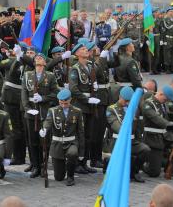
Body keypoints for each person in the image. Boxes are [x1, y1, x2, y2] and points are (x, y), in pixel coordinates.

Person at [21, 53, 58, 178]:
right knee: (33, 141)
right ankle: (36, 166)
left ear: (45, 63)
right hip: (31, 112)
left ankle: (44, 166)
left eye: (41, 58)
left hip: (44, 111)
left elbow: (55, 93)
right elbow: (24, 93)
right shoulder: (27, 75)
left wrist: (43, 98)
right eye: (36, 57)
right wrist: (27, 109)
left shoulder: (50, 76)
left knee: (45, 141)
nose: (38, 58)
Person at [104, 86, 150, 183]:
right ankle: (108, 162)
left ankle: (134, 172)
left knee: (145, 149)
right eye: (125, 101)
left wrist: (139, 141)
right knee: (118, 174)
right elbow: (116, 126)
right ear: (120, 97)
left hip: (132, 141)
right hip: (118, 142)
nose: (127, 103)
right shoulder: (111, 109)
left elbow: (137, 128)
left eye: (130, 101)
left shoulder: (134, 109)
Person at [40, 89, 85, 186]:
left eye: (66, 103)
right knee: (58, 178)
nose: (63, 105)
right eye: (61, 103)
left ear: (70, 100)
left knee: (72, 153)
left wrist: (81, 151)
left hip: (71, 142)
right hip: (57, 144)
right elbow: (48, 122)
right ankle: (64, 166)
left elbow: (81, 132)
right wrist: (44, 129)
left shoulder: (77, 111)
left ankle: (70, 176)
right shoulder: (52, 111)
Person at [69, 42, 100, 174]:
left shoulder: (90, 66)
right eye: (82, 49)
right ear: (77, 54)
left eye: (86, 49)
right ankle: (76, 163)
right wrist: (87, 99)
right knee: (79, 135)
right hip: (80, 105)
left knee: (88, 135)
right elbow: (73, 89)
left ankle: (84, 162)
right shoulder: (75, 69)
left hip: (90, 106)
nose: (86, 50)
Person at [142, 85, 173, 177]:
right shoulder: (148, 104)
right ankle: (142, 164)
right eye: (165, 99)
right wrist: (172, 126)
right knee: (154, 173)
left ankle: (172, 166)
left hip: (164, 137)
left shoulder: (162, 103)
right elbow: (157, 119)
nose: (166, 102)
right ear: (160, 94)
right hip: (152, 139)